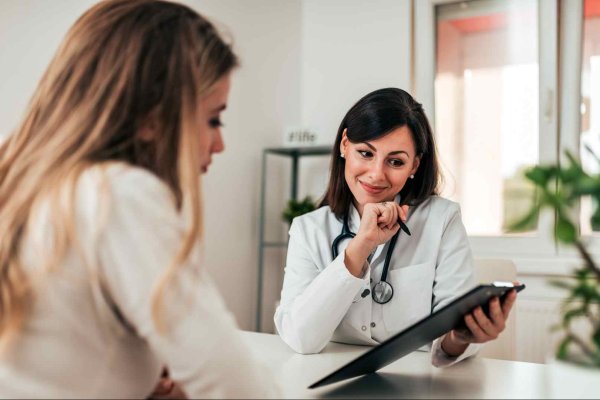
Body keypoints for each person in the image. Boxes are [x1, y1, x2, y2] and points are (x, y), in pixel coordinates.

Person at [0, 0, 279, 398]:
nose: (220, 144)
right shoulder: (116, 194)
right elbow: (235, 383)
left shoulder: (19, 180)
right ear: (151, 118)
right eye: (213, 119)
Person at [274, 88, 518, 367]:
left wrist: (462, 337)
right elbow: (300, 339)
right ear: (344, 145)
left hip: (420, 382)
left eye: (395, 161)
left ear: (415, 164)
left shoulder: (442, 219)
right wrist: (359, 247)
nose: (377, 174)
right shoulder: (308, 230)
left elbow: (448, 336)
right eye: (365, 153)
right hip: (326, 376)